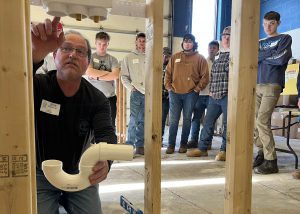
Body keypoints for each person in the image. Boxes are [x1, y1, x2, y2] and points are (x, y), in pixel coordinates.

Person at [31, 17, 117, 214]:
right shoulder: (38, 86)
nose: (73, 55)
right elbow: (15, 80)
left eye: (80, 52)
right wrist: (35, 53)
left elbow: (107, 134)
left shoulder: (97, 99)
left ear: (87, 62)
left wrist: (106, 161)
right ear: (54, 55)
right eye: (66, 48)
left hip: (80, 171)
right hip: (41, 172)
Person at [253, 11, 292, 174]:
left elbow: (281, 59)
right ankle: (261, 153)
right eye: (265, 24)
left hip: (272, 84)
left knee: (262, 120)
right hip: (257, 84)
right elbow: (253, 58)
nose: (268, 27)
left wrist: (262, 56)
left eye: (272, 23)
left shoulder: (284, 39)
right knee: (255, 121)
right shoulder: (260, 42)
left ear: (278, 23)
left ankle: (271, 160)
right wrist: (269, 54)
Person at [187, 26, 231, 161]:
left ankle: (225, 150)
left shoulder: (236, 53)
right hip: (214, 95)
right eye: (224, 36)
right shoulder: (218, 55)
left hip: (228, 94)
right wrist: (211, 89)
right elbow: (213, 73)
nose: (227, 38)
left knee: (227, 124)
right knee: (207, 122)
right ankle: (202, 148)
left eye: (229, 36)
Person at [164, 33, 209, 154]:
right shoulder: (175, 57)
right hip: (175, 93)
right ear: (182, 43)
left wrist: (196, 89)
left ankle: (183, 144)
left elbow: (205, 77)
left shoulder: (200, 58)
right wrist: (169, 87)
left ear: (194, 44)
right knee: (173, 120)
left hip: (191, 94)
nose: (187, 43)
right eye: (185, 41)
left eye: (190, 41)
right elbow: (167, 74)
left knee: (187, 119)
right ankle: (171, 145)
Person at [187, 40, 220, 149]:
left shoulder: (220, 62)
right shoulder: (202, 61)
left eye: (214, 48)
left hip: (213, 95)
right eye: (210, 48)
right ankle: (193, 139)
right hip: (200, 94)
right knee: (196, 118)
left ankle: (207, 141)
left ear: (218, 50)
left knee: (209, 120)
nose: (212, 50)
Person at [85, 31, 120, 130]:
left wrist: (96, 76)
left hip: (109, 98)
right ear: (95, 43)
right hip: (93, 97)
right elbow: (89, 72)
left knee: (110, 124)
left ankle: (108, 145)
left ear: (108, 44)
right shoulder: (90, 57)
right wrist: (107, 75)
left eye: (104, 44)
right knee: (91, 123)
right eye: (99, 44)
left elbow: (115, 75)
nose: (102, 46)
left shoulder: (113, 59)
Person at [121, 33, 146, 155]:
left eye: (144, 41)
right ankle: (129, 145)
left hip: (148, 93)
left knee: (143, 120)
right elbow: (124, 76)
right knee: (133, 120)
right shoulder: (129, 57)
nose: (142, 43)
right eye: (140, 41)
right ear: (136, 42)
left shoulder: (150, 57)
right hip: (136, 92)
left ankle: (140, 145)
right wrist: (131, 88)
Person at [162, 47, 172, 143]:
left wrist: (171, 92)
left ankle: (159, 138)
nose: (165, 58)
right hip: (155, 97)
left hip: (166, 97)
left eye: (167, 56)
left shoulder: (172, 67)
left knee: (162, 119)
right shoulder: (155, 65)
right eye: (163, 55)